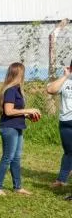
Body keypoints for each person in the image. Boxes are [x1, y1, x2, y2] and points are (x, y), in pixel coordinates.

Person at [0, 62, 40, 195]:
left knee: (17, 158)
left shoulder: (16, 89)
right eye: (23, 73)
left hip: (17, 126)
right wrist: (29, 109)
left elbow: (16, 111)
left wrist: (27, 115)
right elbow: (8, 111)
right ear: (19, 74)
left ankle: (18, 187)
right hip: (9, 128)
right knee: (7, 157)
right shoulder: (11, 90)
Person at [46, 59, 72, 189]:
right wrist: (65, 75)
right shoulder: (66, 82)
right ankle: (61, 180)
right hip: (66, 123)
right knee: (69, 152)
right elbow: (50, 89)